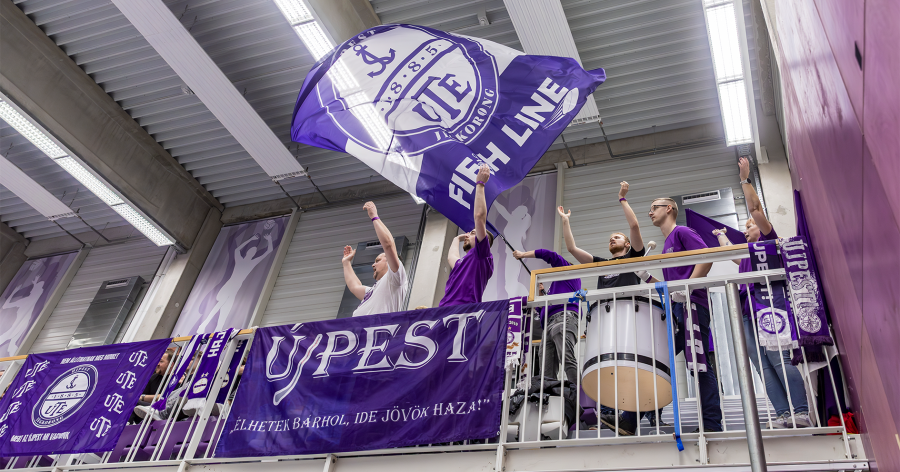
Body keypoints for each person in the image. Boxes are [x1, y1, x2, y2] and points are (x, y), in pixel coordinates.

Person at [559, 182, 664, 435]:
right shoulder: (601, 264)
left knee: (633, 365)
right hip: (606, 323)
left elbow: (635, 226)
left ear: (628, 245)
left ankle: (649, 411)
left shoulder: (633, 257)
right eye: (610, 238)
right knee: (611, 369)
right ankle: (617, 413)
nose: (611, 239)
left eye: (617, 237)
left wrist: (622, 199)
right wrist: (565, 221)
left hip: (629, 320)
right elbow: (573, 249)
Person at [713, 157, 811, 428]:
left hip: (767, 305)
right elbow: (733, 258)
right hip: (745, 309)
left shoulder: (769, 240)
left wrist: (745, 179)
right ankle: (782, 413)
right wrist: (722, 236)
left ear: (761, 225)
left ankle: (801, 411)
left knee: (778, 357)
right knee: (760, 363)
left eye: (748, 226)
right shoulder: (746, 256)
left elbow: (755, 208)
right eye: (744, 228)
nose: (746, 231)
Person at [643, 196, 723, 432]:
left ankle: (710, 423)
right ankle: (635, 414)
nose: (650, 213)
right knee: (660, 358)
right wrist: (647, 277)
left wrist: (688, 287)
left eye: (653, 208)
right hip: (679, 305)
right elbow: (673, 287)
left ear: (669, 208)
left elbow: (705, 258)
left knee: (697, 363)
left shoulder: (682, 232)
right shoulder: (667, 243)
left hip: (693, 303)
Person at [512, 249, 580, 384]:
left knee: (566, 358)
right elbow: (542, 310)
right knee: (546, 369)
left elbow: (550, 255)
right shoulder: (556, 288)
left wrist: (523, 255)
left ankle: (581, 396)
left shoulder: (569, 272)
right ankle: (548, 398)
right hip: (549, 324)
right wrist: (542, 295)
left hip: (563, 318)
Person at [438, 164, 495, 307]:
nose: (468, 235)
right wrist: (456, 238)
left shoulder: (482, 255)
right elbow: (451, 257)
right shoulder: (462, 263)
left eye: (473, 233)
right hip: (444, 310)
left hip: (464, 312)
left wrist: (480, 184)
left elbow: (479, 217)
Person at [342, 201, 408, 317]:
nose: (373, 265)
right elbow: (354, 286)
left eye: (377, 260)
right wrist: (346, 263)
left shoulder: (396, 278)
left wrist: (374, 217)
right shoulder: (374, 290)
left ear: (389, 261)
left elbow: (388, 245)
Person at [128, 349, 175, 424]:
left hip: (162, 412)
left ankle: (125, 428)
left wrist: (142, 397)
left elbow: (166, 397)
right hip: (147, 409)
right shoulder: (153, 377)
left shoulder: (176, 379)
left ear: (171, 364)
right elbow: (140, 396)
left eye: (161, 361)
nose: (157, 364)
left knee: (135, 402)